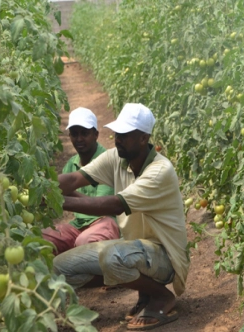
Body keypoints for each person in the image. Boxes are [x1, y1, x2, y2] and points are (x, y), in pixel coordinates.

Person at [53, 103, 190, 330]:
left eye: (125, 135)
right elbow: (74, 179)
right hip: (133, 249)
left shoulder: (160, 171)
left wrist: (57, 201)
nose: (117, 139)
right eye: (117, 133)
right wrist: (38, 188)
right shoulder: (117, 158)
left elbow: (114, 205)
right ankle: (144, 292)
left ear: (143, 138)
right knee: (60, 267)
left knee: (110, 256)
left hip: (165, 257)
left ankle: (161, 297)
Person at [42, 107, 120, 254]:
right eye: (74, 134)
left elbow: (101, 207)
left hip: (105, 222)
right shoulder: (71, 164)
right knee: (42, 239)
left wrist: (63, 196)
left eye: (85, 133)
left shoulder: (107, 161)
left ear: (96, 135)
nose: (79, 139)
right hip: (78, 225)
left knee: (86, 241)